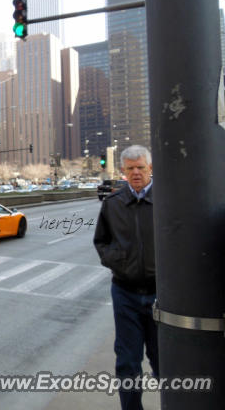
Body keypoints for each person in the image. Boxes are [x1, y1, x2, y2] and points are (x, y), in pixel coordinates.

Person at [93, 145, 157, 410]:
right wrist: (117, 262)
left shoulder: (169, 201)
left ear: (150, 168)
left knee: (163, 359)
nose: (136, 173)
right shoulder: (113, 204)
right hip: (125, 293)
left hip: (161, 294)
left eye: (141, 167)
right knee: (128, 363)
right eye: (130, 169)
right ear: (123, 172)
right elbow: (101, 241)